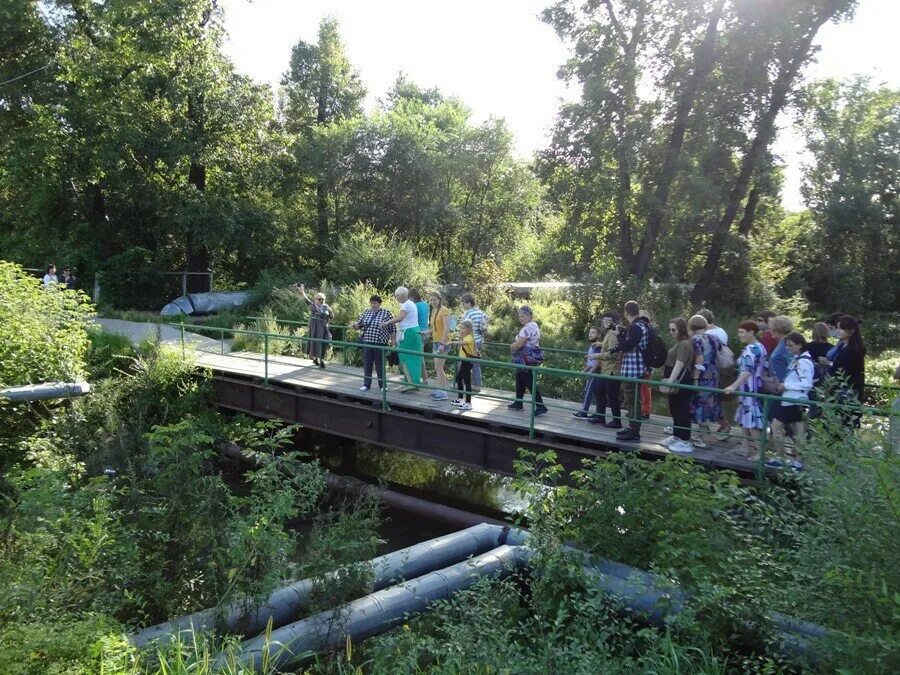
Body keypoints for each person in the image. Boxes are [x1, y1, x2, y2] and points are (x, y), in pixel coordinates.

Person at [724, 321, 767, 457]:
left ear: (751, 333)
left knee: (752, 420)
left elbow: (748, 371)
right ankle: (745, 446)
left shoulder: (751, 349)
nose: (739, 335)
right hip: (751, 389)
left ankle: (760, 453)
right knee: (745, 417)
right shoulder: (759, 346)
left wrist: (733, 386)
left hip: (750, 390)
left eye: (742, 332)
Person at [770, 332, 814, 465]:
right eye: (786, 345)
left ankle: (780, 457)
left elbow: (807, 384)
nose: (788, 348)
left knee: (776, 426)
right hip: (792, 399)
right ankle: (799, 460)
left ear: (800, 345)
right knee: (798, 430)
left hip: (793, 400)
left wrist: (786, 385)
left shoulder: (804, 362)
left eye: (790, 345)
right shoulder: (798, 359)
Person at [609, 301, 650, 441]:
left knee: (632, 401)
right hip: (638, 368)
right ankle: (632, 427)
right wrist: (621, 334)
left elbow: (628, 345)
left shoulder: (637, 327)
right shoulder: (643, 325)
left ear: (626, 312)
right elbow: (631, 343)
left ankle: (634, 431)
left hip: (632, 369)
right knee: (632, 400)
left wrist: (618, 339)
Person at [822, 316, 866, 425]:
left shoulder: (853, 349)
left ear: (851, 330)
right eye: (837, 328)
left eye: (841, 328)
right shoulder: (843, 347)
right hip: (841, 389)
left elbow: (845, 371)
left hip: (847, 391)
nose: (838, 330)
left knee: (845, 425)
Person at [660, 317, 694, 454]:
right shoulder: (680, 343)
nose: (671, 332)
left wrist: (670, 381)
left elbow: (680, 363)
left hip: (681, 381)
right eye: (670, 330)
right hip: (675, 379)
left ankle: (685, 440)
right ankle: (677, 435)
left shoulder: (684, 344)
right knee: (674, 408)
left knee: (681, 410)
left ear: (681, 329)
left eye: (674, 329)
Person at [688, 314, 722, 449]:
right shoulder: (714, 338)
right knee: (710, 403)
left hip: (703, 375)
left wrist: (695, 378)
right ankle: (704, 431)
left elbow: (700, 359)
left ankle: (701, 436)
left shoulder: (695, 339)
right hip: (714, 374)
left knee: (700, 403)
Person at [507, 306, 548, 417]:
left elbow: (520, 344)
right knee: (520, 378)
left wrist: (512, 346)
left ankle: (540, 406)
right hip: (526, 359)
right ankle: (518, 403)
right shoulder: (533, 326)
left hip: (525, 359)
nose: (520, 318)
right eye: (519, 316)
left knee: (529, 381)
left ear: (529, 316)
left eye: (522, 316)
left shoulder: (529, 327)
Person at [380, 287, 423, 392]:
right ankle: (416, 381)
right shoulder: (412, 303)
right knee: (414, 357)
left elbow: (400, 317)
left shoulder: (405, 304)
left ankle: (410, 382)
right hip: (415, 331)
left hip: (408, 333)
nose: (396, 298)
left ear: (400, 295)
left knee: (404, 358)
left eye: (396, 296)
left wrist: (386, 323)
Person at [699, 308, 732, 438]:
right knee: (715, 400)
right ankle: (722, 426)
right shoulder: (721, 331)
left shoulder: (709, 334)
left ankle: (711, 429)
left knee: (705, 400)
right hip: (719, 371)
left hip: (709, 372)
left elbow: (705, 353)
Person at [352, 295, 395, 392]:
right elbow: (360, 324)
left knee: (380, 365)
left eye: (375, 303)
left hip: (380, 343)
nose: (372, 305)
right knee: (367, 364)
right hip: (367, 342)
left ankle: (383, 385)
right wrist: (355, 326)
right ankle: (366, 384)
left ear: (379, 303)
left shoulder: (386, 313)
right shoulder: (367, 312)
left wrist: (393, 342)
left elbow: (393, 328)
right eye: (371, 303)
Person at [590, 312, 623, 428]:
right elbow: (607, 347)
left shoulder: (614, 333)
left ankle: (617, 422)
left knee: (612, 396)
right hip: (606, 370)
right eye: (604, 320)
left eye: (608, 320)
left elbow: (613, 354)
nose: (605, 323)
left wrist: (597, 356)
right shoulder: (609, 332)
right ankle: (600, 416)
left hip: (612, 371)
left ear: (614, 321)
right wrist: (600, 344)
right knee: (599, 390)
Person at [296, 284, 334, 368]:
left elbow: (331, 317)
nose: (321, 301)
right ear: (316, 300)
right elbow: (306, 300)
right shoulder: (314, 306)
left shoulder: (326, 307)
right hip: (315, 329)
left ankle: (319, 360)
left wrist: (330, 312)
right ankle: (319, 360)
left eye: (323, 299)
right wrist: (302, 291)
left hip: (324, 329)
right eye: (319, 299)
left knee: (323, 344)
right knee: (315, 344)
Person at [425, 292, 451, 401]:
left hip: (442, 342)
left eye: (434, 300)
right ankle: (440, 389)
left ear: (439, 299)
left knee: (439, 367)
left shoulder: (444, 310)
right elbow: (435, 327)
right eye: (431, 300)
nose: (432, 302)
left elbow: (446, 328)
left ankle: (443, 392)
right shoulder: (434, 310)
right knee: (437, 367)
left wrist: (442, 343)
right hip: (435, 341)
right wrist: (427, 332)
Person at [573, 326, 603, 420]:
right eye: (590, 332)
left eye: (593, 332)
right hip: (592, 372)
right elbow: (590, 363)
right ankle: (597, 413)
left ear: (598, 335)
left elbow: (597, 362)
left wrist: (590, 372)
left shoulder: (597, 346)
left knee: (589, 392)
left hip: (596, 372)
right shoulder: (592, 346)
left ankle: (584, 412)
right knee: (590, 392)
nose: (590, 334)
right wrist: (583, 371)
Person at [449, 319, 479, 411]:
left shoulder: (469, 337)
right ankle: (461, 398)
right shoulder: (466, 336)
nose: (461, 330)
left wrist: (452, 342)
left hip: (467, 362)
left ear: (468, 329)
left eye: (463, 328)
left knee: (467, 382)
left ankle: (468, 403)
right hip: (464, 361)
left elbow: (463, 343)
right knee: (459, 378)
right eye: (460, 328)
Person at [460, 293, 488, 390]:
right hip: (479, 340)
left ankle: (461, 383)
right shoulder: (481, 313)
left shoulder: (468, 313)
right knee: (476, 364)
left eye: (463, 303)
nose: (463, 306)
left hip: (470, 342)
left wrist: (461, 338)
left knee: (463, 362)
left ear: (468, 303)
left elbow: (465, 328)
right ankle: (477, 385)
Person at [409, 289, 430, 383]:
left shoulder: (415, 305)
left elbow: (412, 319)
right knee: (420, 355)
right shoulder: (426, 304)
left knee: (418, 356)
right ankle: (423, 377)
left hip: (419, 333)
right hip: (426, 332)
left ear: (412, 297)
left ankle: (423, 378)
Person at [637, 310, 653, 419]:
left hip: (640, 363)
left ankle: (643, 410)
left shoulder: (639, 329)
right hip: (648, 363)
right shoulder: (651, 330)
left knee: (643, 388)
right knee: (645, 388)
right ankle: (645, 410)